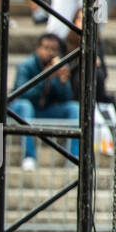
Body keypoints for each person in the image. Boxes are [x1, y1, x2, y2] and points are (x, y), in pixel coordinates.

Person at [10, 33, 79, 172]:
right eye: (46, 48)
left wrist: (63, 82)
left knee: (74, 108)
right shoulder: (26, 66)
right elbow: (23, 93)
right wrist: (45, 78)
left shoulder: (59, 66)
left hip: (46, 110)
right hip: (22, 110)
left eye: (53, 49)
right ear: (38, 49)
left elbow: (66, 98)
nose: (50, 52)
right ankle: (29, 157)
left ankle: (73, 156)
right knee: (25, 106)